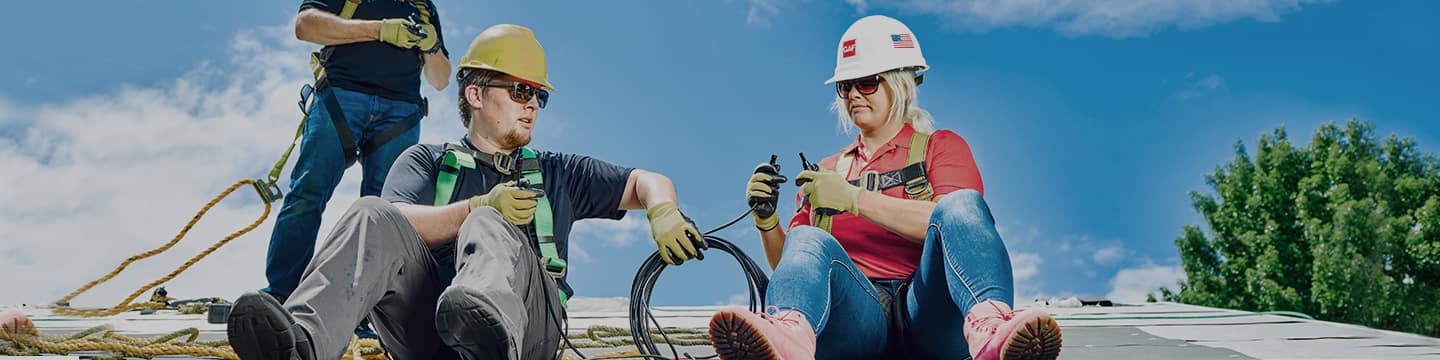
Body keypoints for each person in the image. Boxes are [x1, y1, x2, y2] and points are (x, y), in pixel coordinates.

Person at [226, 24, 707, 360]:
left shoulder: (559, 173)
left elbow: (646, 181)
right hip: (426, 335)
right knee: (372, 211)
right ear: (476, 94)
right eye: (520, 91)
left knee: (491, 224)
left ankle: (488, 331)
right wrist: (476, 206)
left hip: (527, 335)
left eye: (540, 95)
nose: (533, 105)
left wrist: (662, 211)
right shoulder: (424, 162)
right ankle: (301, 343)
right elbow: (393, 223)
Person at [707, 15, 1063, 360]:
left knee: (962, 205)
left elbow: (955, 228)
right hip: (856, 321)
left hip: (929, 314)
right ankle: (789, 338)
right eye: (845, 87)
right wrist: (767, 222)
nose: (852, 96)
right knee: (806, 239)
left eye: (867, 82)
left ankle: (990, 328)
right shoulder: (827, 172)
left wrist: (854, 198)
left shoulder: (942, 147)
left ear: (900, 84)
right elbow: (797, 266)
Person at [263, 0, 452, 304]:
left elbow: (441, 79)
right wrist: (380, 30)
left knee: (385, 214)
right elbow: (306, 26)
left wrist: (431, 46)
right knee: (307, 193)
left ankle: (363, 309)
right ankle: (281, 297)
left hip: (400, 115)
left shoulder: (423, 7)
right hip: (340, 97)